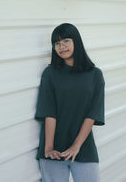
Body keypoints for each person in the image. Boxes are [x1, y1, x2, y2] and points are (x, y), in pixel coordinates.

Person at [35, 23, 105, 182]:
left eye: (66, 41)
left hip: (83, 146)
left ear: (76, 41)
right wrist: (49, 147)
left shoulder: (95, 75)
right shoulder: (50, 73)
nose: (61, 46)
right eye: (57, 43)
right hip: (52, 149)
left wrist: (76, 146)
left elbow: (92, 113)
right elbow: (49, 112)